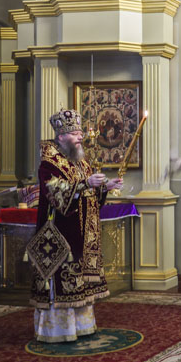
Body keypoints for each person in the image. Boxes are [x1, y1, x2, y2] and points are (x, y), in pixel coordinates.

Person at [32, 109, 123, 342]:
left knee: (81, 281)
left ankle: (82, 326)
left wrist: (105, 187)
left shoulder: (81, 161)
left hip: (83, 234)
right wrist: (85, 184)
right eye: (74, 133)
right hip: (60, 232)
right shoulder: (49, 163)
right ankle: (59, 331)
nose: (80, 136)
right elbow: (55, 192)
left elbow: (90, 193)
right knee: (63, 279)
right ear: (61, 136)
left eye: (80, 132)